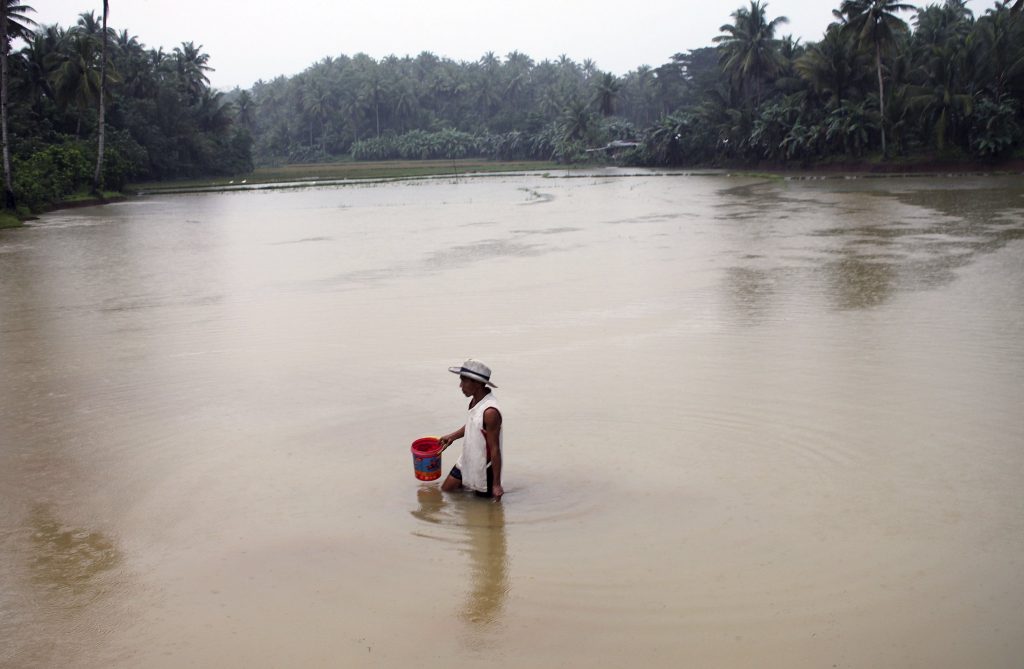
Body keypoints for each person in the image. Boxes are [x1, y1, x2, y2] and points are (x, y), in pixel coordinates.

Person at [438, 359, 504, 500]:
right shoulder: (475, 401)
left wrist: (497, 484)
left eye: (464, 381)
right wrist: (452, 436)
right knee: (445, 490)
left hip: (483, 468)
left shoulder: (490, 412)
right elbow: (473, 424)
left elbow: (495, 449)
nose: (460, 385)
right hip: (467, 458)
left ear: (477, 383)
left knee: (481, 510)